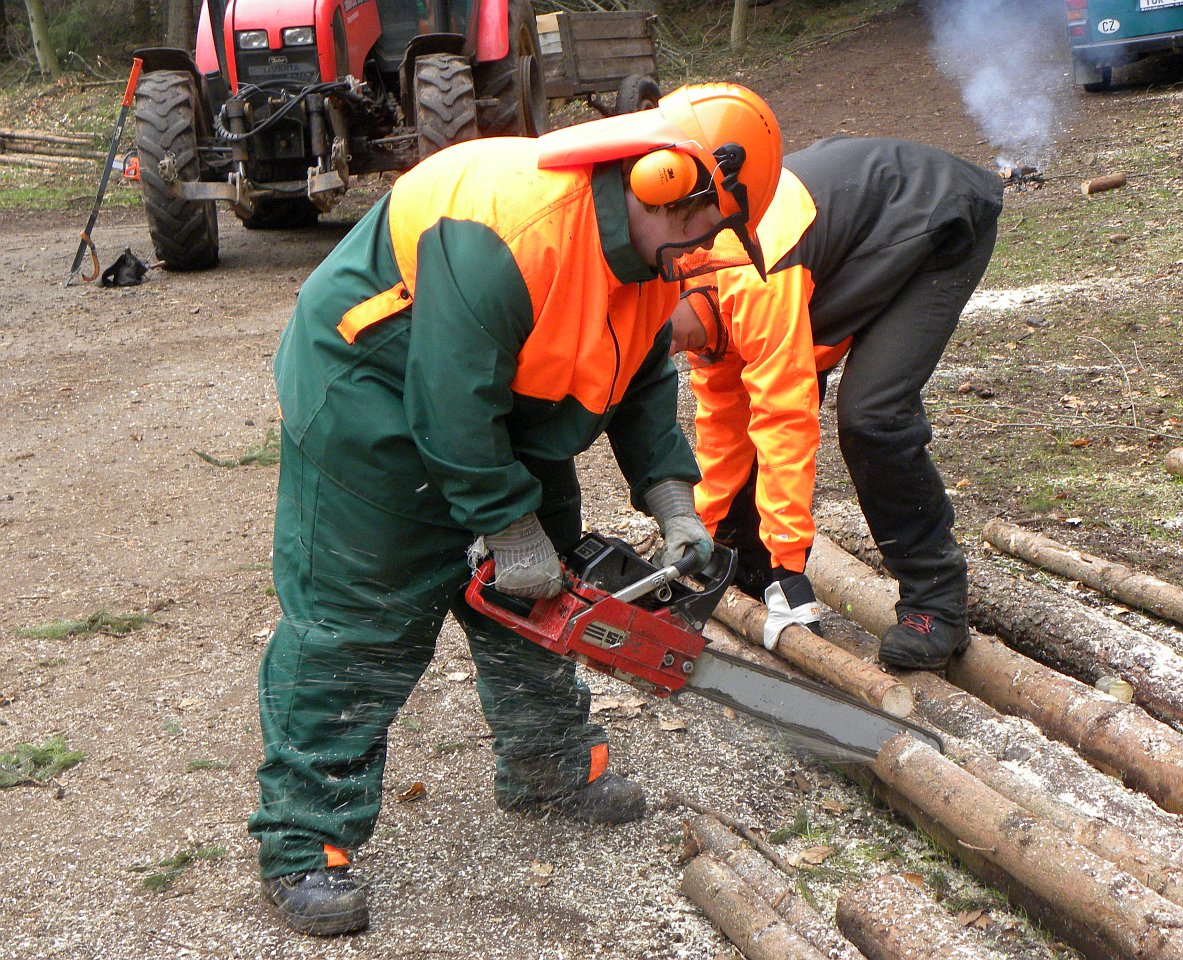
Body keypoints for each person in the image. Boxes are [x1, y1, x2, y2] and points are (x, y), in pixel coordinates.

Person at [250, 84, 784, 936]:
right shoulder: (510, 230)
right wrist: (506, 522)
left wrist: (671, 499)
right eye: (704, 229)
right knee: (363, 621)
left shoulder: (650, 256)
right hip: (371, 389)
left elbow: (644, 374)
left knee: (545, 595)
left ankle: (546, 766)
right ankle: (304, 840)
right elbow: (448, 402)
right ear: (662, 183)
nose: (703, 251)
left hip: (512, 403)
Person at [669, 136, 1003, 670]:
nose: (672, 349)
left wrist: (789, 565)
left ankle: (937, 602)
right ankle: (747, 562)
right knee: (754, 415)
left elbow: (784, 413)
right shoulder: (693, 292)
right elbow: (724, 425)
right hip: (850, 249)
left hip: (934, 217)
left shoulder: (753, 279)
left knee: (873, 414)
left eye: (668, 337)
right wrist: (700, 533)